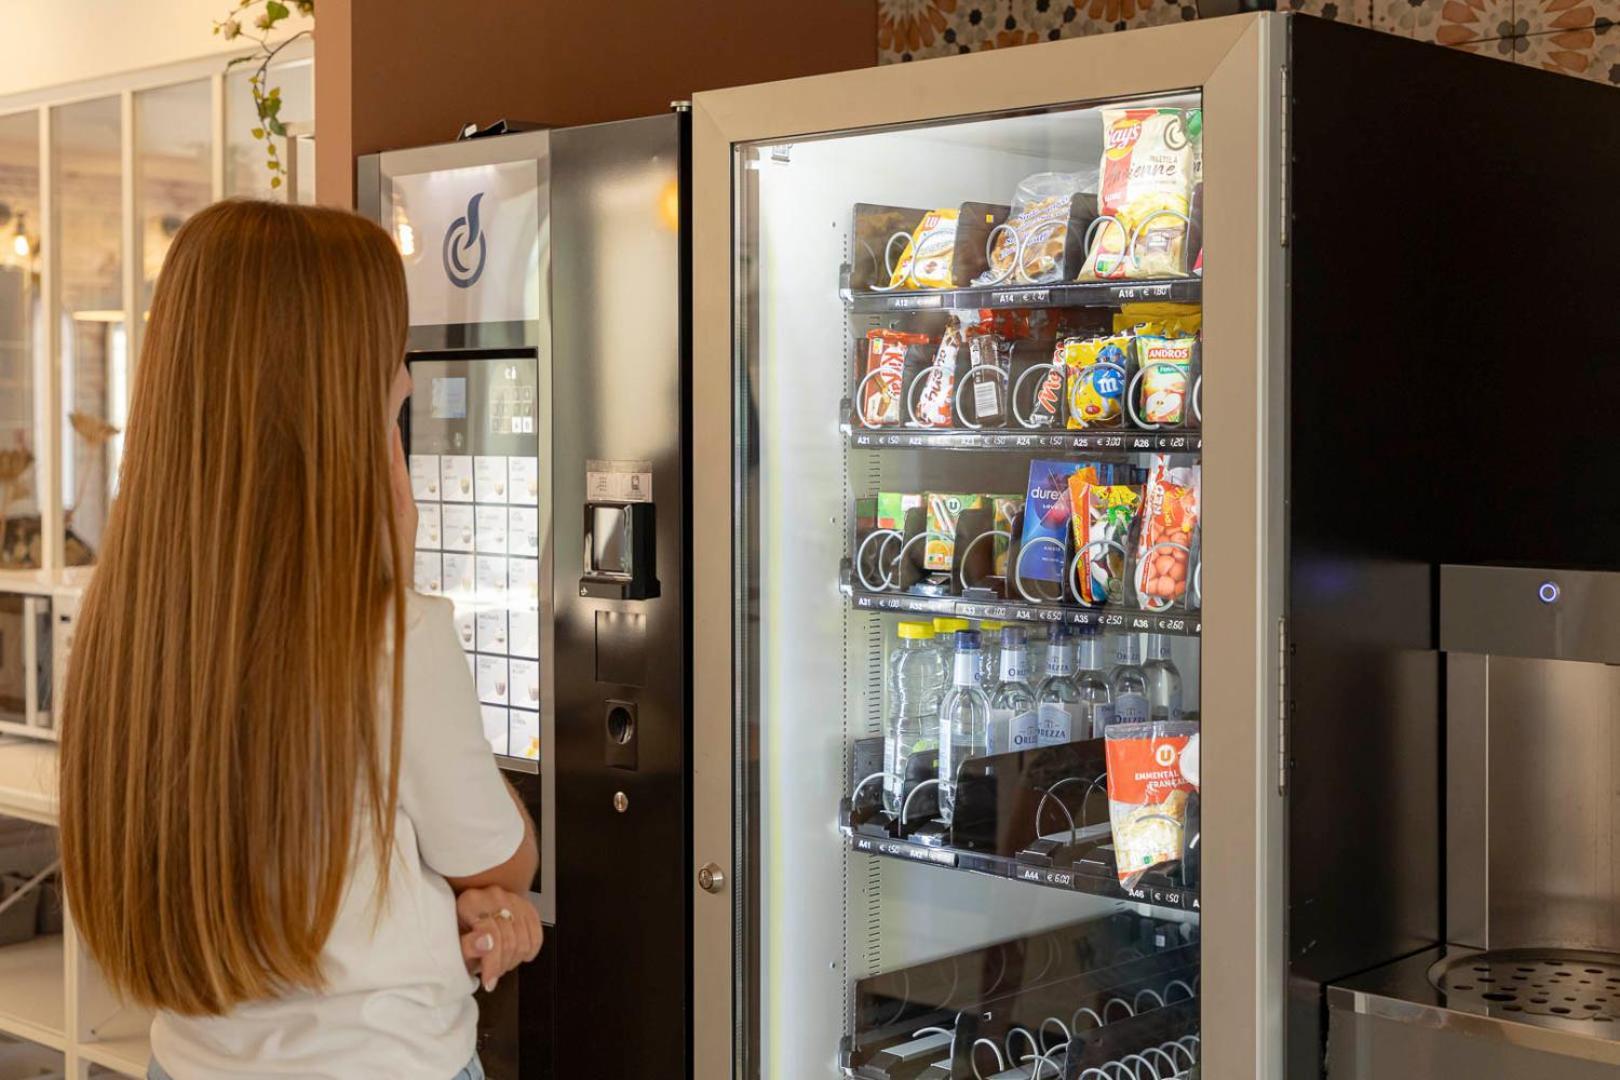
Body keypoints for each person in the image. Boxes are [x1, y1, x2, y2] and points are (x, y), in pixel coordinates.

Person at [57, 200, 542, 1080]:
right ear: (337, 407)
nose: (404, 397)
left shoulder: (125, 623)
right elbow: (501, 857)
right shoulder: (396, 637)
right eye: (390, 376)